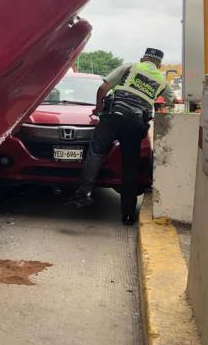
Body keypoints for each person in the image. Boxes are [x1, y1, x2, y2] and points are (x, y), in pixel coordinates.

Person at [68, 48, 175, 224]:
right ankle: (127, 214)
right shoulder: (162, 80)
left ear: (142, 58)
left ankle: (84, 193)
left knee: (96, 152)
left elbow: (103, 89)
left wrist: (99, 108)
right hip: (135, 125)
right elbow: (170, 100)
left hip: (112, 117)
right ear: (159, 65)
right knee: (130, 168)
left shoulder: (129, 67)